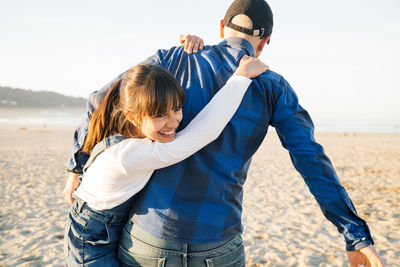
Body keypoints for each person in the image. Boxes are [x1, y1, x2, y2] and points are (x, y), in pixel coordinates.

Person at [64, 0, 384, 266]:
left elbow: (100, 101)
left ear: (221, 27)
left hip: (148, 239)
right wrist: (353, 233)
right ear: (266, 41)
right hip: (217, 245)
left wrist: (78, 166)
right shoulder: (273, 86)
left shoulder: (172, 59)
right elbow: (311, 159)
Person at [64, 58, 268, 266]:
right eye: (160, 114)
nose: (173, 122)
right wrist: (240, 78)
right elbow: (205, 131)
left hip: (102, 227)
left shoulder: (127, 132)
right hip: (90, 240)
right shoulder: (130, 154)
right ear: (132, 117)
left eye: (177, 109)